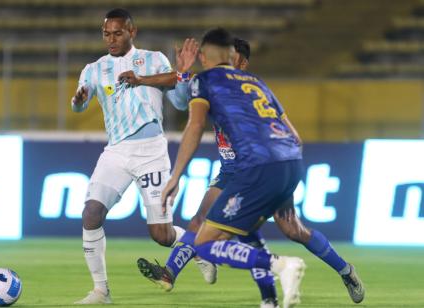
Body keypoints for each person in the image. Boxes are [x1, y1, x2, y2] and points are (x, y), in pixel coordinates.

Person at [146, 28, 366, 308]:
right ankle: (177, 275)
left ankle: (314, 271)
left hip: (254, 168)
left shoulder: (212, 82)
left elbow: (193, 120)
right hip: (267, 163)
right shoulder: (255, 84)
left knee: (287, 230)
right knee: (212, 223)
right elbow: (294, 136)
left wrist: (176, 175)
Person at [122, 39, 281, 308]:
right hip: (228, 172)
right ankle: (170, 274)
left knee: (268, 235)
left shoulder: (250, 90)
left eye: (234, 59)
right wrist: (172, 73)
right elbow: (183, 85)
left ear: (242, 63)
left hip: (253, 175)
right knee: (198, 223)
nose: (228, 63)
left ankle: (291, 277)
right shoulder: (214, 83)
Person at [70, 8, 199, 305]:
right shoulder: (93, 68)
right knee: (91, 213)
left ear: (132, 32)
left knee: (162, 235)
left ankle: (195, 247)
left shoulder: (155, 60)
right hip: (116, 151)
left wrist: (181, 72)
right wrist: (77, 102)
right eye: (106, 34)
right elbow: (79, 102)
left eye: (117, 33)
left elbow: (179, 103)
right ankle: (101, 291)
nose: (111, 39)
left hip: (151, 151)